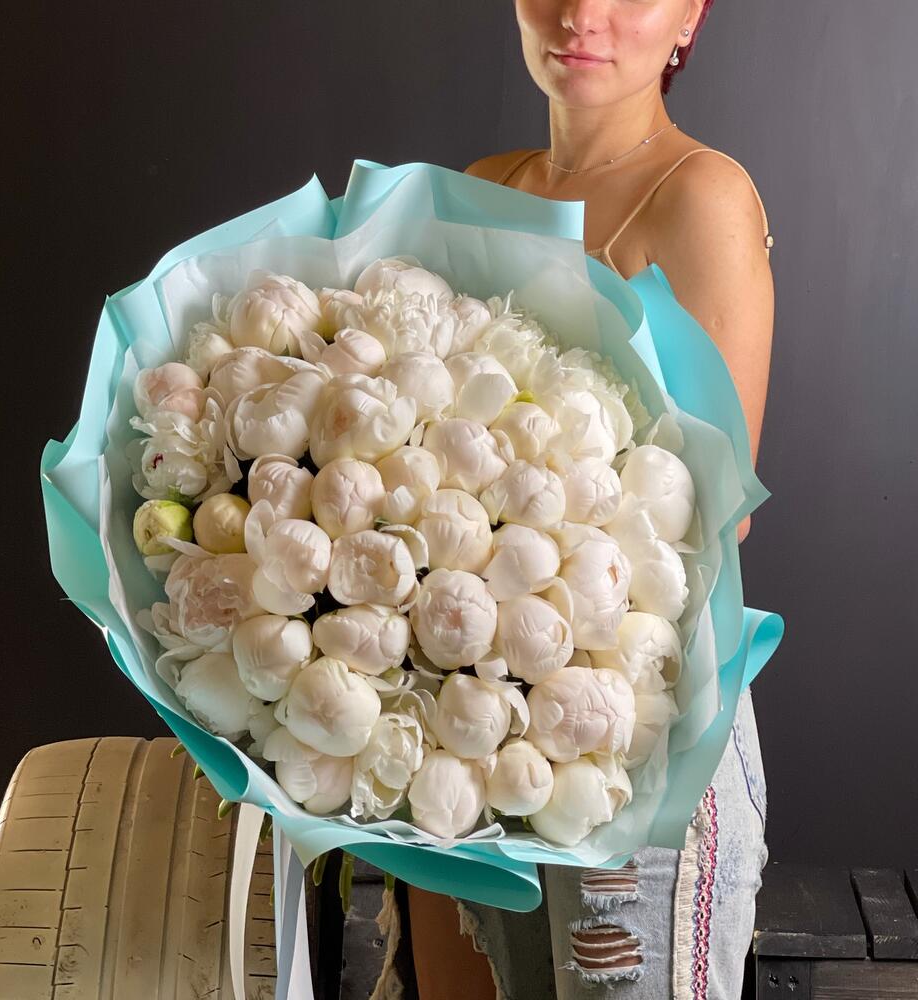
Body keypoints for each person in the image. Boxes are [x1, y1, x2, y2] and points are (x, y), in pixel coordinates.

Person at [405, 1, 774, 997]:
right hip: (470, 723)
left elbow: (720, 514)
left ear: (691, 14)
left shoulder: (700, 195)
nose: (581, 14)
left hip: (639, 740)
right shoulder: (481, 189)